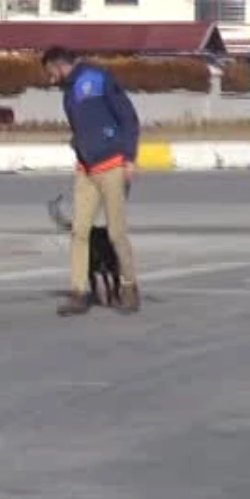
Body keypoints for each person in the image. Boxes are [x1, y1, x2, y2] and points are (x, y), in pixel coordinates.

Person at [41, 46, 141, 315]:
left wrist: (129, 158)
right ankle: (78, 292)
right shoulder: (68, 93)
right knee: (79, 230)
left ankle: (129, 288)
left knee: (116, 232)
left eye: (50, 72)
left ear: (58, 65)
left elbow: (129, 118)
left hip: (112, 166)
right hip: (86, 169)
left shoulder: (98, 78)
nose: (49, 78)